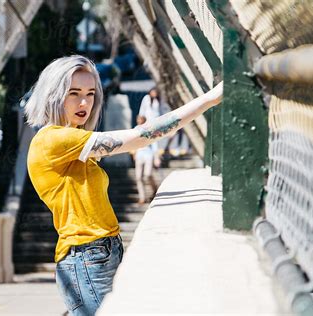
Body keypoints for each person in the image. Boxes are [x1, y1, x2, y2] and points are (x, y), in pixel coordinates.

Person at [24, 55, 223, 315]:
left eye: (90, 93)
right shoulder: (54, 140)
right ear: (53, 95)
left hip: (99, 252)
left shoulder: (70, 142)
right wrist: (211, 99)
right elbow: (141, 136)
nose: (84, 102)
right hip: (87, 257)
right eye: (73, 93)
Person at [133, 115, 160, 204]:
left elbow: (154, 143)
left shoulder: (150, 129)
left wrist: (156, 157)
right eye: (138, 119)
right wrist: (134, 152)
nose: (139, 121)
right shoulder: (135, 129)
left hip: (148, 153)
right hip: (139, 154)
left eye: (140, 119)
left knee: (147, 174)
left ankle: (154, 188)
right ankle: (142, 197)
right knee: (138, 177)